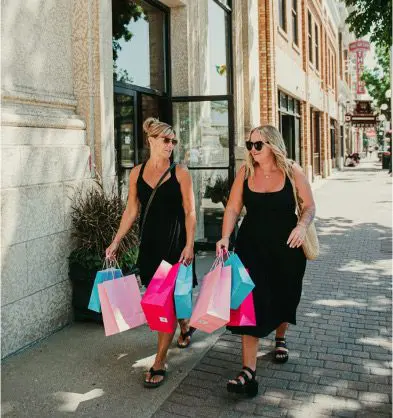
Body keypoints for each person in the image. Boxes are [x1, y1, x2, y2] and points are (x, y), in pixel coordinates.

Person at [216, 125, 316, 397]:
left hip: (287, 248)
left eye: (257, 145)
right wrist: (225, 236)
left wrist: (302, 226)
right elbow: (234, 207)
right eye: (249, 144)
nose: (252, 150)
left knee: (285, 295)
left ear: (272, 144)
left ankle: (280, 337)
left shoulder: (292, 170)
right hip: (251, 248)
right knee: (252, 304)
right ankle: (248, 372)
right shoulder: (245, 172)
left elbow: (308, 206)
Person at [106, 117, 197, 388]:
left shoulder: (180, 172)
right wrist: (116, 241)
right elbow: (132, 210)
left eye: (173, 141)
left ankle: (159, 361)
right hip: (150, 247)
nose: (170, 145)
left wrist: (190, 244)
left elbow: (190, 211)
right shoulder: (136, 173)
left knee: (162, 302)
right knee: (168, 300)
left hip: (174, 245)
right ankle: (184, 325)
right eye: (165, 140)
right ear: (151, 140)